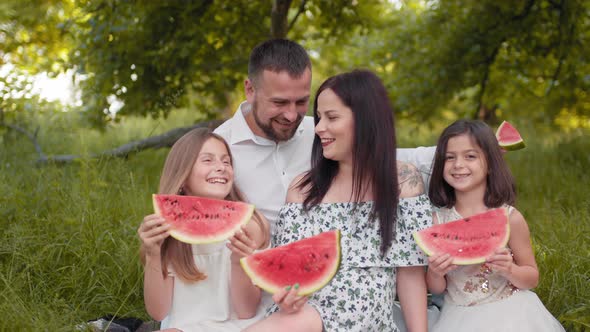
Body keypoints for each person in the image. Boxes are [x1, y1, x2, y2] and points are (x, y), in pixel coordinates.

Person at [244, 70, 432, 332]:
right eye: (319, 118)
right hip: (303, 317)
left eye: (331, 117)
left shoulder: (403, 181)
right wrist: (287, 299)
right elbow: (290, 275)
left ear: (366, 120)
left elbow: (410, 274)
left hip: (366, 323)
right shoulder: (302, 188)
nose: (319, 128)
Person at [426, 120, 565, 332]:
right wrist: (435, 273)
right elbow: (437, 288)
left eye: (470, 156)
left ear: (490, 163)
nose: (458, 165)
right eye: (449, 157)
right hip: (458, 317)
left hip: (512, 313)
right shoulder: (437, 221)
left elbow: (531, 277)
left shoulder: (510, 218)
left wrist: (510, 270)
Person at [137, 128, 270, 331]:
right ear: (182, 176)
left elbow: (246, 311)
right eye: (208, 160)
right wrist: (153, 254)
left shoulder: (250, 226)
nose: (221, 167)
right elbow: (158, 312)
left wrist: (238, 261)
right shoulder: (167, 230)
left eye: (226, 161)